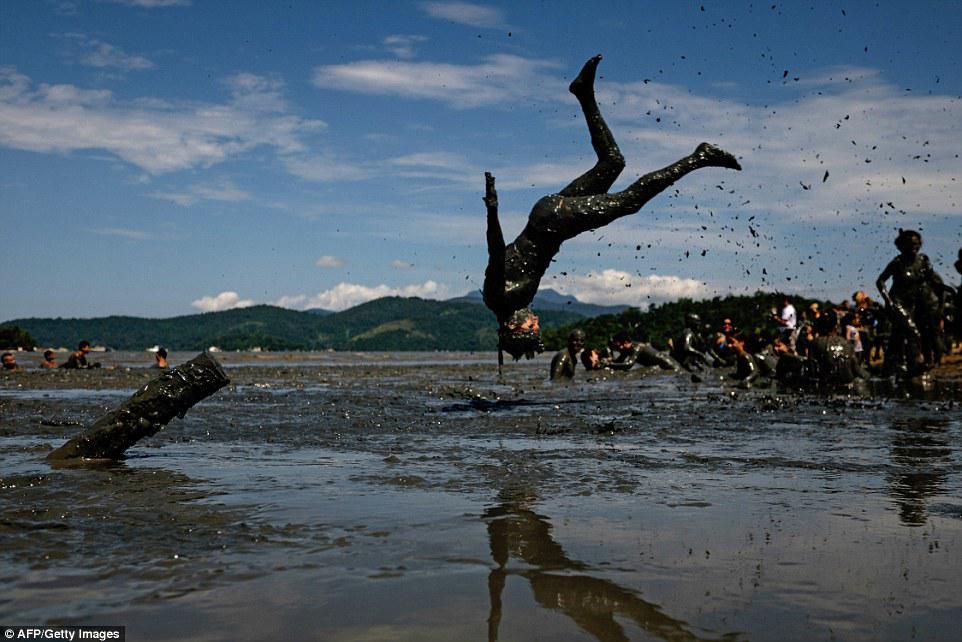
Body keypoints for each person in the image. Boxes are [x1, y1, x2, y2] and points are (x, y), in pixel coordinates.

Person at [483, 55, 741, 360]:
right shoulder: (507, 302)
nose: (537, 321)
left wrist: (493, 210)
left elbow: (496, 252)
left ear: (518, 327)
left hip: (554, 220)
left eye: (533, 327)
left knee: (630, 201)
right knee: (613, 162)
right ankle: (583, 93)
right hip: (549, 216)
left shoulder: (501, 297)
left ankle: (699, 157)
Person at [877, 229, 950, 376]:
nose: (914, 247)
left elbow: (932, 281)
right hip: (896, 302)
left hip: (913, 304)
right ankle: (915, 364)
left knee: (898, 336)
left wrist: (946, 289)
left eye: (917, 244)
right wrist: (888, 300)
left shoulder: (923, 261)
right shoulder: (897, 262)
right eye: (910, 244)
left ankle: (889, 369)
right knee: (913, 332)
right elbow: (880, 281)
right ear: (902, 246)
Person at [605, 330, 680, 371]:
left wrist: (609, 365)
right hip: (663, 365)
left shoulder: (637, 348)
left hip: (669, 365)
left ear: (626, 343)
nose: (618, 349)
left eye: (619, 346)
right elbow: (620, 361)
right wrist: (607, 362)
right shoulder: (626, 350)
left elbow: (628, 365)